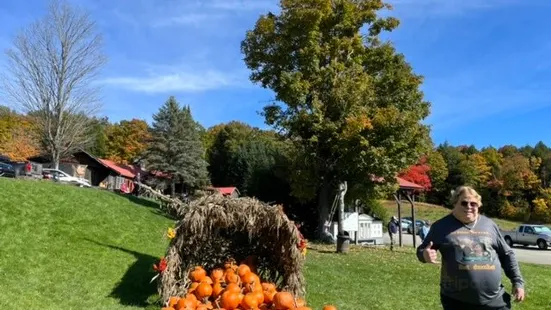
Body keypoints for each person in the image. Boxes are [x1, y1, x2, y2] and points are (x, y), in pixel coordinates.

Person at [416, 186, 525, 310]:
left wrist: (517, 282)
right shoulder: (441, 226)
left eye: (473, 204)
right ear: (455, 203)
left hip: (495, 300)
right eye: (464, 203)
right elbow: (421, 251)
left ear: (478, 206)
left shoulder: (489, 225)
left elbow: (507, 254)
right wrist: (425, 255)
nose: (469, 207)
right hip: (457, 301)